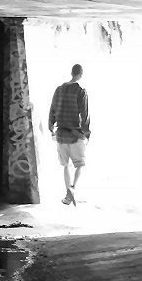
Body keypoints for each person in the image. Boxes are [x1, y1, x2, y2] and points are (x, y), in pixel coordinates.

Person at [48, 64, 91, 207]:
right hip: (75, 134)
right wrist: (86, 133)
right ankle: (72, 187)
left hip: (61, 134)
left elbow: (52, 109)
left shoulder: (59, 90)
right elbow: (84, 114)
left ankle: (67, 193)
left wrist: (51, 126)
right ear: (81, 74)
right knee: (80, 165)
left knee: (65, 166)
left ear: (71, 72)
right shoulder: (81, 91)